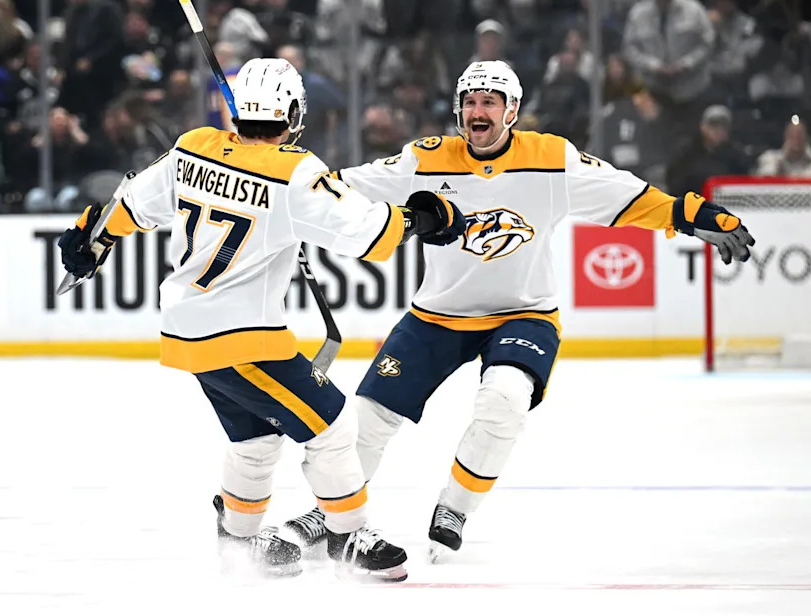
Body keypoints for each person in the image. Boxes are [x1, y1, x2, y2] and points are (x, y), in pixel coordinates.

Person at [283, 60, 756, 562]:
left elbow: (626, 194)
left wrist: (690, 213)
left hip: (523, 314)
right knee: (370, 415)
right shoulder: (424, 159)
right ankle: (328, 512)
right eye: (469, 101)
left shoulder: (552, 158)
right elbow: (342, 189)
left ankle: (455, 508)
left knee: (504, 400)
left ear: (512, 111)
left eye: (489, 102)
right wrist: (283, 179)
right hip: (437, 316)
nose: (476, 111)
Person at [56, 58, 466, 580]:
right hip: (241, 338)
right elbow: (369, 234)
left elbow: (131, 204)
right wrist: (428, 217)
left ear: (236, 110)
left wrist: (94, 238)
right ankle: (348, 538)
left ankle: (240, 544)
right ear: (292, 113)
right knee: (334, 424)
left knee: (255, 442)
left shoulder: (192, 148)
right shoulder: (295, 171)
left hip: (188, 329)